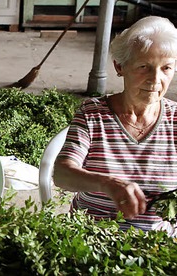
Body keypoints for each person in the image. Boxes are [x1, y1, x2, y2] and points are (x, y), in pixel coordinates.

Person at [54, 16, 177, 235]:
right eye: (144, 67)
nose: (155, 80)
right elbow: (62, 173)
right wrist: (107, 184)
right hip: (91, 239)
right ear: (120, 66)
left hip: (157, 244)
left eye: (166, 68)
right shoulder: (92, 115)